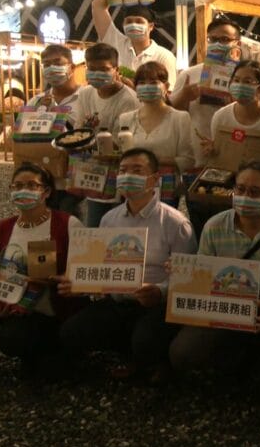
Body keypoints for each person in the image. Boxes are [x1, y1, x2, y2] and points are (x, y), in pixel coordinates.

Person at [58, 148, 196, 382]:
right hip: (119, 301)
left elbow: (188, 277)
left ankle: (157, 359)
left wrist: (160, 291)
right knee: (71, 332)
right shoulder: (109, 219)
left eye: (137, 170)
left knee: (146, 341)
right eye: (123, 171)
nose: (127, 176)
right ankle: (130, 352)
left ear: (154, 179)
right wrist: (80, 283)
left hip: (156, 305)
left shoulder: (175, 223)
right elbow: (100, 267)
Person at [170, 161, 260, 373]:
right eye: (240, 189)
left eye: (255, 192)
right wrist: (183, 272)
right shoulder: (214, 225)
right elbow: (202, 273)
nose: (245, 197)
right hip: (226, 307)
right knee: (183, 353)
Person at [0, 164, 86, 376]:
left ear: (47, 191)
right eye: (18, 186)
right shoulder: (3, 228)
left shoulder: (68, 223)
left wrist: (67, 281)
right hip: (22, 311)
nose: (23, 191)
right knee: (10, 341)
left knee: (54, 370)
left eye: (32, 185)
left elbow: (85, 269)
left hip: (62, 309)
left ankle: (62, 351)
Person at [193, 60, 260, 235]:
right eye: (236, 80)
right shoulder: (221, 117)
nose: (240, 85)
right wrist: (212, 151)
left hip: (258, 197)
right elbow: (218, 153)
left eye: (247, 81)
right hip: (226, 193)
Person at [170, 16, 260, 169]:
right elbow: (172, 114)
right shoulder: (189, 74)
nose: (218, 44)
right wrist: (184, 96)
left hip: (239, 153)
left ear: (237, 43)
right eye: (213, 39)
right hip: (198, 155)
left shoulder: (249, 75)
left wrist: (244, 98)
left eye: (224, 39)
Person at [117, 62, 195, 209]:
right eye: (142, 83)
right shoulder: (125, 119)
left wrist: (150, 162)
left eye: (153, 82)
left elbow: (188, 160)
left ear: (166, 86)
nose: (147, 86)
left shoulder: (180, 118)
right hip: (132, 187)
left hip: (166, 190)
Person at [27, 44, 92, 217]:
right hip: (45, 173)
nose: (51, 68)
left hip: (77, 171)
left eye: (57, 62)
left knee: (69, 215)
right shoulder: (36, 101)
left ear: (71, 67)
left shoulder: (88, 95)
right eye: (47, 65)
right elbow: (24, 134)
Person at [80, 43, 140, 227]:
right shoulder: (86, 93)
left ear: (116, 70)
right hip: (93, 173)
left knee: (116, 225)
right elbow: (79, 130)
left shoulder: (128, 99)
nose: (97, 74)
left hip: (118, 174)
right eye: (92, 69)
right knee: (94, 227)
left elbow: (120, 143)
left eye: (104, 69)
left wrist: (89, 141)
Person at [92, 0, 177, 77]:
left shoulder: (163, 56)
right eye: (129, 21)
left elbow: (169, 85)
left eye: (139, 21)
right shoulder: (116, 42)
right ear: (123, 24)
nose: (133, 25)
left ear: (151, 26)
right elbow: (97, 5)